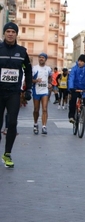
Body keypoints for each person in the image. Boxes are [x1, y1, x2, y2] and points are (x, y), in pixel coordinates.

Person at [0, 22, 33, 168]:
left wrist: (28, 89)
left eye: (13, 31)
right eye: (8, 31)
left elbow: (28, 71)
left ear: (16, 34)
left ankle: (7, 154)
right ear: (4, 33)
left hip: (14, 93)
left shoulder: (22, 52)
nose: (10, 33)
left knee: (12, 123)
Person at [32, 53, 52, 135]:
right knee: (36, 110)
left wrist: (50, 83)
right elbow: (31, 80)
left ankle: (44, 126)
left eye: (43, 58)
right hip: (36, 91)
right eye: (40, 57)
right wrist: (36, 80)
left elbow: (50, 77)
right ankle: (35, 124)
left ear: (45, 59)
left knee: (44, 109)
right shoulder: (34, 68)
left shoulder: (48, 69)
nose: (41, 59)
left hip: (44, 91)